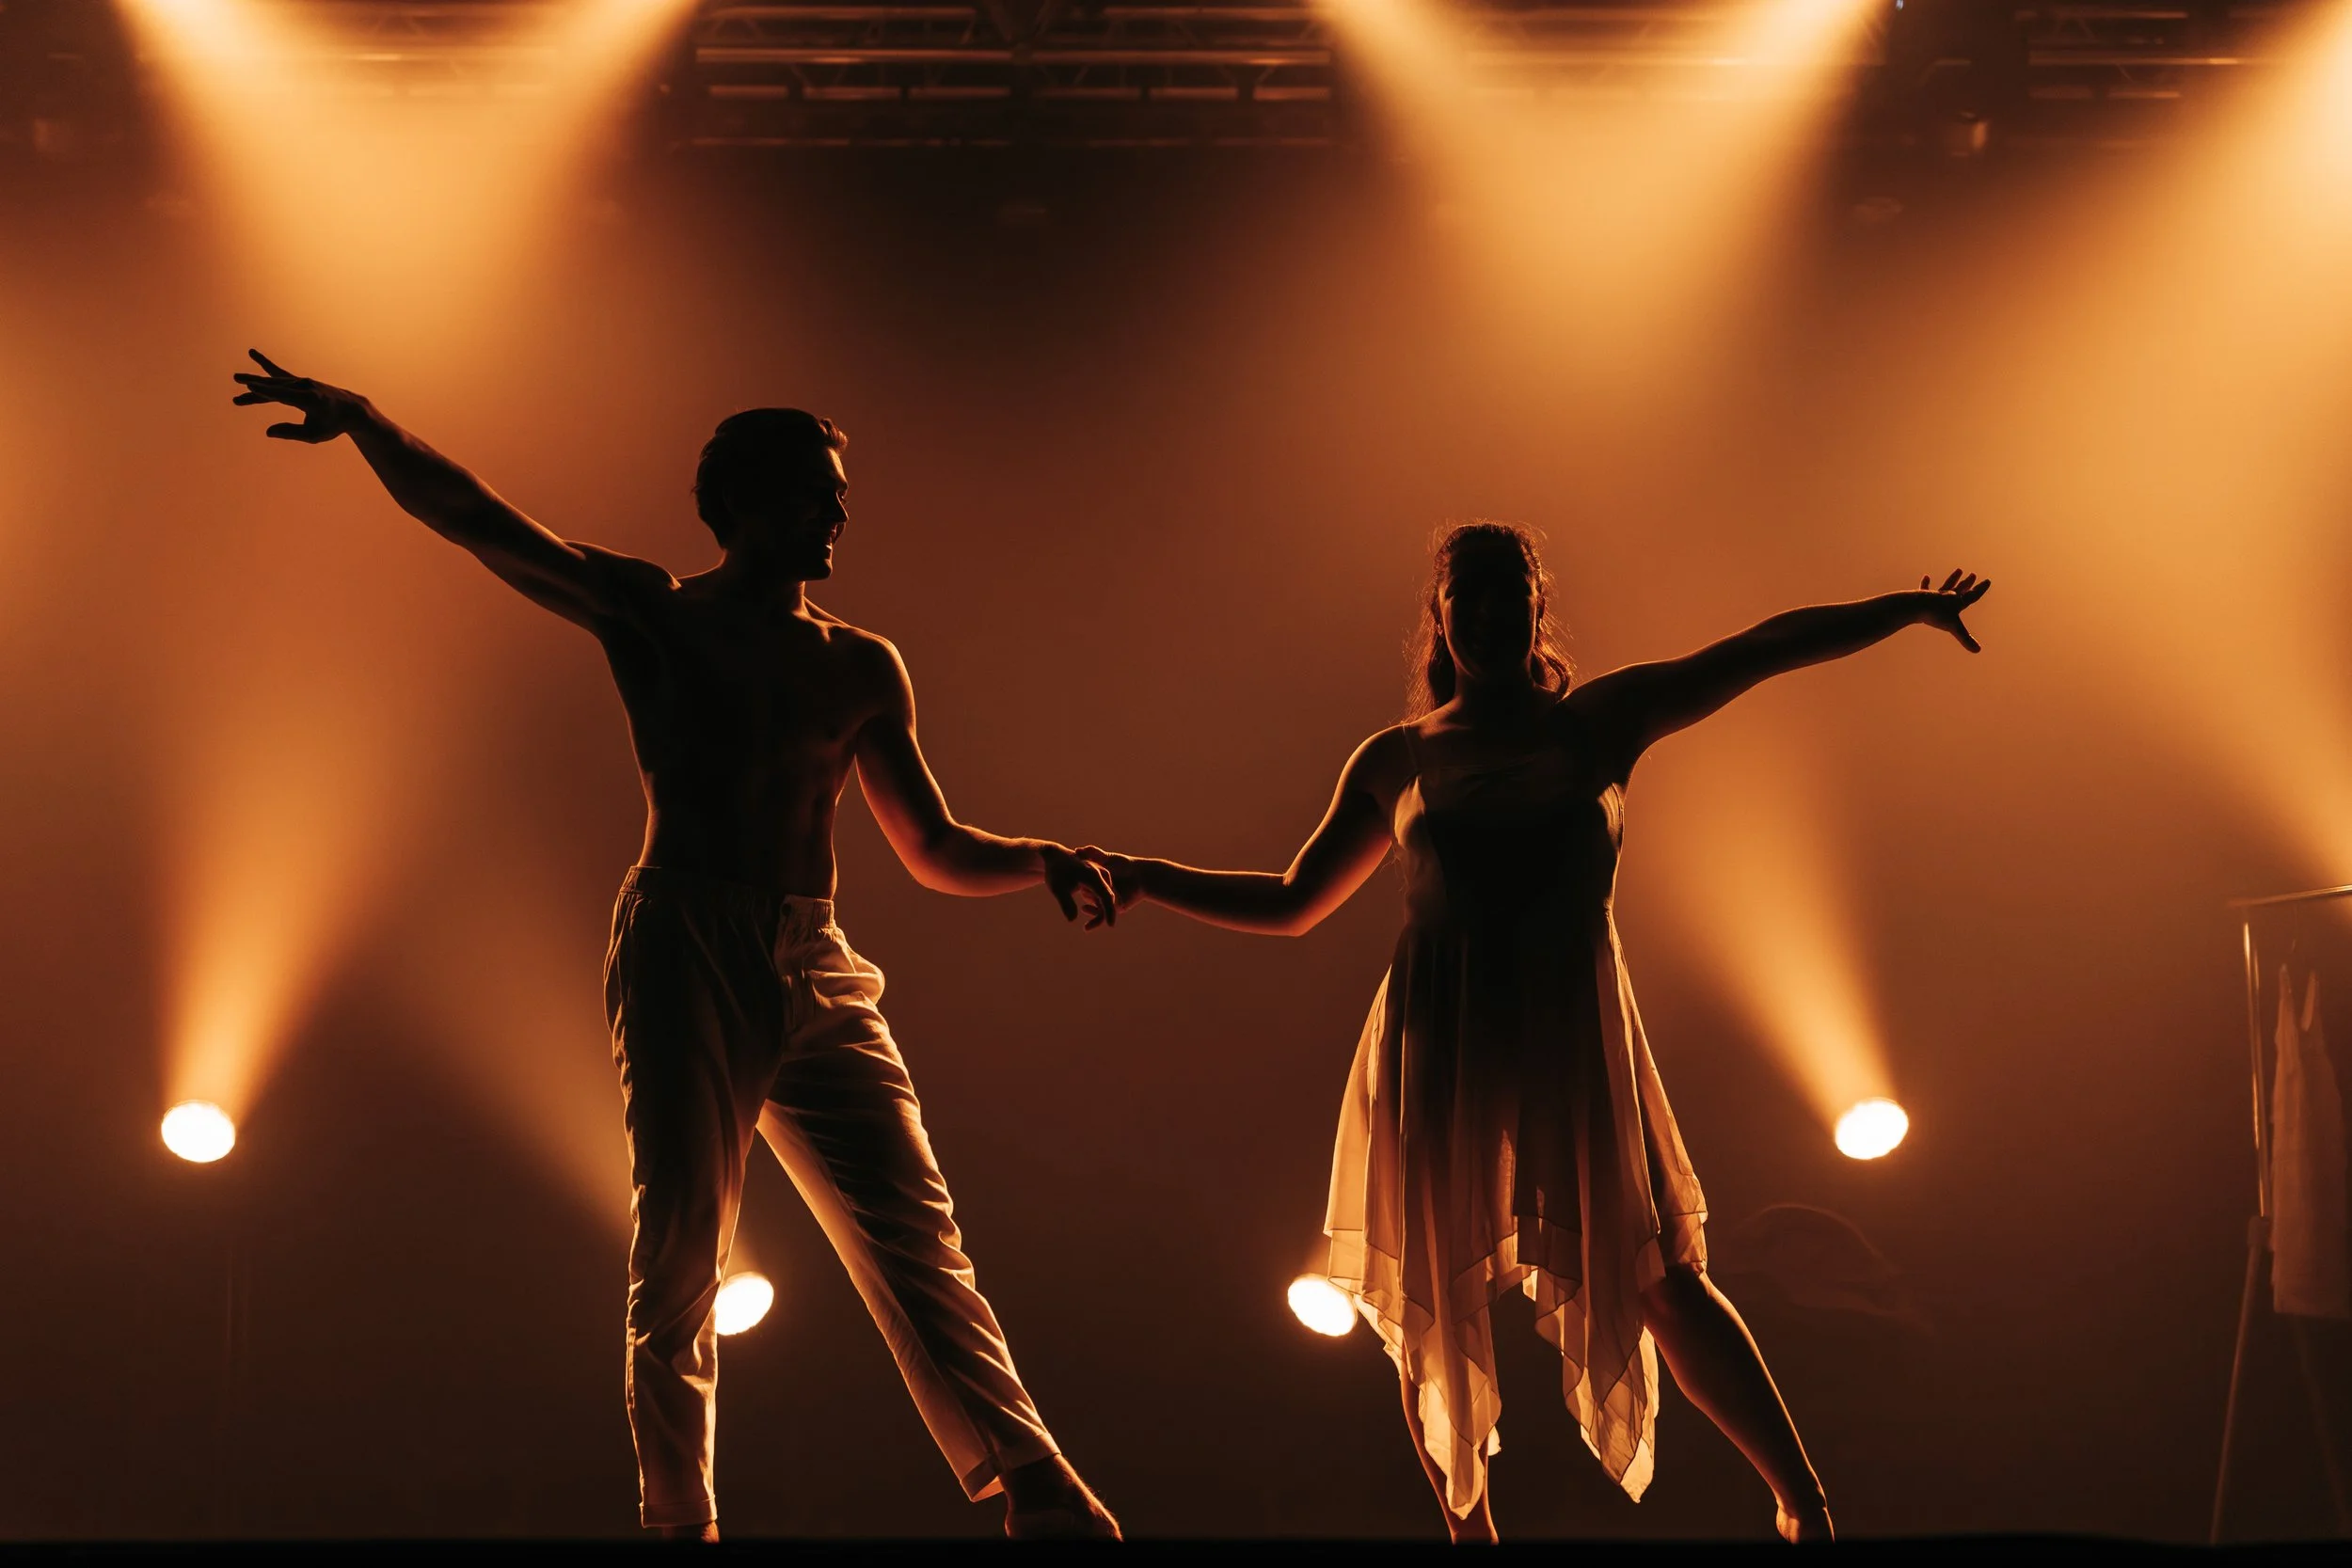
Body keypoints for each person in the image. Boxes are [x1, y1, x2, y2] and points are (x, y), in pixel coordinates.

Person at [230, 352, 1121, 1541]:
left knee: (916, 1228)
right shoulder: (655, 610)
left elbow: (935, 846)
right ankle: (678, 1520)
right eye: (813, 491)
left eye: (839, 489)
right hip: (683, 934)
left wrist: (1039, 857)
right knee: (682, 1239)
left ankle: (1038, 1481)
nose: (837, 513)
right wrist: (368, 423)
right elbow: (487, 525)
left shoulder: (860, 662)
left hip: (813, 956)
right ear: (741, 503)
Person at [1079, 521, 1990, 1542]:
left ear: (1535, 607)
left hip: (1571, 1035)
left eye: (1508, 590)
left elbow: (1755, 651)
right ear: (1441, 615)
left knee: (1662, 1276)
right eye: (1467, 593)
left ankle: (1805, 1506)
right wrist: (1147, 876)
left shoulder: (1598, 723)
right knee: (1424, 1292)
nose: (1489, 610)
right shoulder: (1398, 757)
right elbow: (1294, 899)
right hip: (1439, 1037)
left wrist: (1903, 609)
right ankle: (1474, 1541)